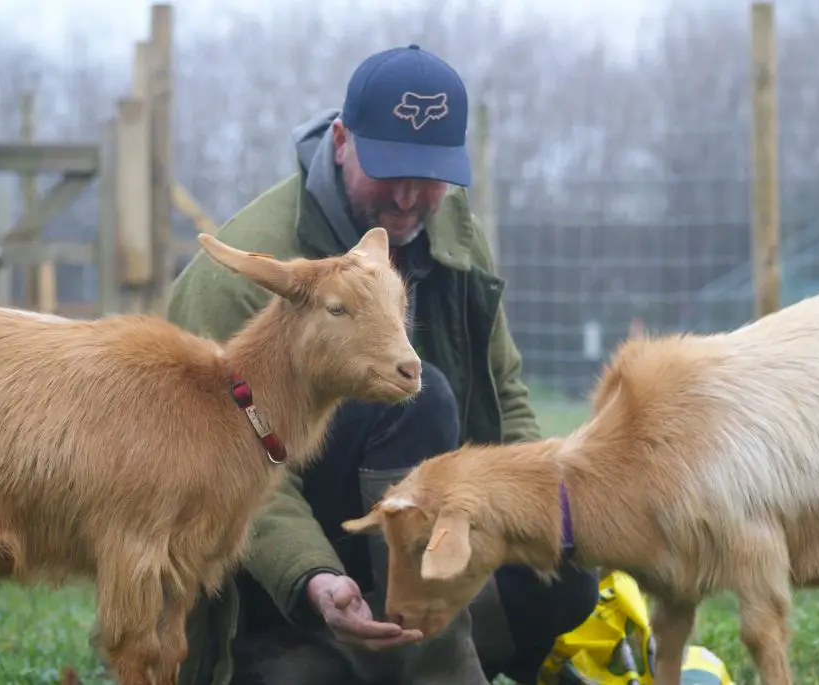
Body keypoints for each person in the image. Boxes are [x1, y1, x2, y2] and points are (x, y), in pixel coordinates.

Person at [167, 44, 600, 685]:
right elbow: (218, 474)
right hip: (282, 579)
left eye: (430, 176)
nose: (407, 196)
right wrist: (313, 576)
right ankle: (383, 654)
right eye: (389, 168)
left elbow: (501, 391)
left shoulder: (452, 231)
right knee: (419, 397)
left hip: (426, 542)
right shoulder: (242, 275)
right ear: (342, 141)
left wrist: (549, 506)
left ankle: (398, 649)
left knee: (566, 580)